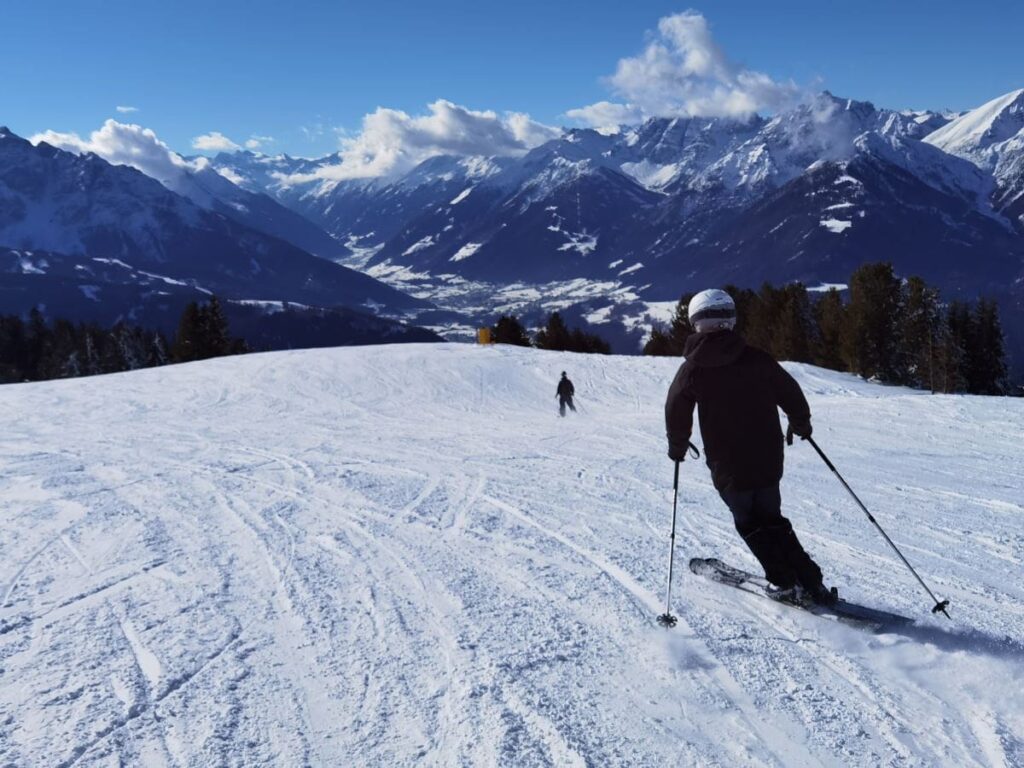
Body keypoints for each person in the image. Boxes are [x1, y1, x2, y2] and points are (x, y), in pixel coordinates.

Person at [664, 288, 837, 605]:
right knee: (773, 517)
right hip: (767, 457)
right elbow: (789, 390)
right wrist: (801, 423)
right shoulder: (756, 359)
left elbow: (676, 407)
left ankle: (783, 582)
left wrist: (677, 445)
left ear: (696, 322)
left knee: (749, 522)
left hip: (728, 464)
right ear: (730, 319)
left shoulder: (693, 369)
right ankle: (811, 581)